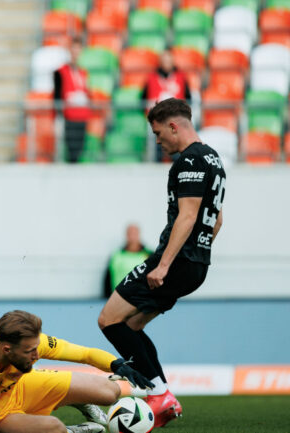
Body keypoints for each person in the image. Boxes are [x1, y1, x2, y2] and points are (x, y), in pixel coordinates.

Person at [97, 98, 225, 428]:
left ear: (173, 126)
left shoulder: (190, 161)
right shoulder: (214, 159)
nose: (157, 141)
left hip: (176, 261)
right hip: (196, 264)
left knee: (108, 320)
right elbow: (217, 219)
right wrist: (199, 252)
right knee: (131, 326)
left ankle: (158, 392)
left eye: (157, 133)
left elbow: (188, 216)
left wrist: (165, 264)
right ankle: (163, 395)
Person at [0, 310, 154, 433]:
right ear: (7, 349)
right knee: (54, 428)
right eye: (30, 351)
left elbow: (83, 354)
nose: (37, 355)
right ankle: (72, 431)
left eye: (37, 348)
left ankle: (77, 401)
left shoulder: (28, 343)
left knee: (110, 392)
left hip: (22, 387)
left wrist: (116, 364)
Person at [141, 48, 191, 161]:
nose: (166, 62)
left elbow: (188, 98)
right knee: (155, 140)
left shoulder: (181, 77)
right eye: (164, 59)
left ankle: (180, 162)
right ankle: (155, 162)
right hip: (156, 120)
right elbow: (143, 98)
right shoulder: (151, 77)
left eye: (168, 59)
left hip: (177, 120)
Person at [53, 37, 90, 163]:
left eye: (78, 49)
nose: (76, 53)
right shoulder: (60, 72)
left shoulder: (83, 72)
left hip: (82, 116)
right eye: (74, 49)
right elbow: (57, 96)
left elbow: (87, 92)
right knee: (70, 152)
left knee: (79, 151)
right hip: (69, 118)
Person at [103, 224, 153, 299]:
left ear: (139, 234)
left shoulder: (149, 254)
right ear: (126, 235)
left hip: (143, 299)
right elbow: (107, 279)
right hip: (119, 299)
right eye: (130, 234)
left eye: (134, 234)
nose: (132, 237)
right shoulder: (116, 256)